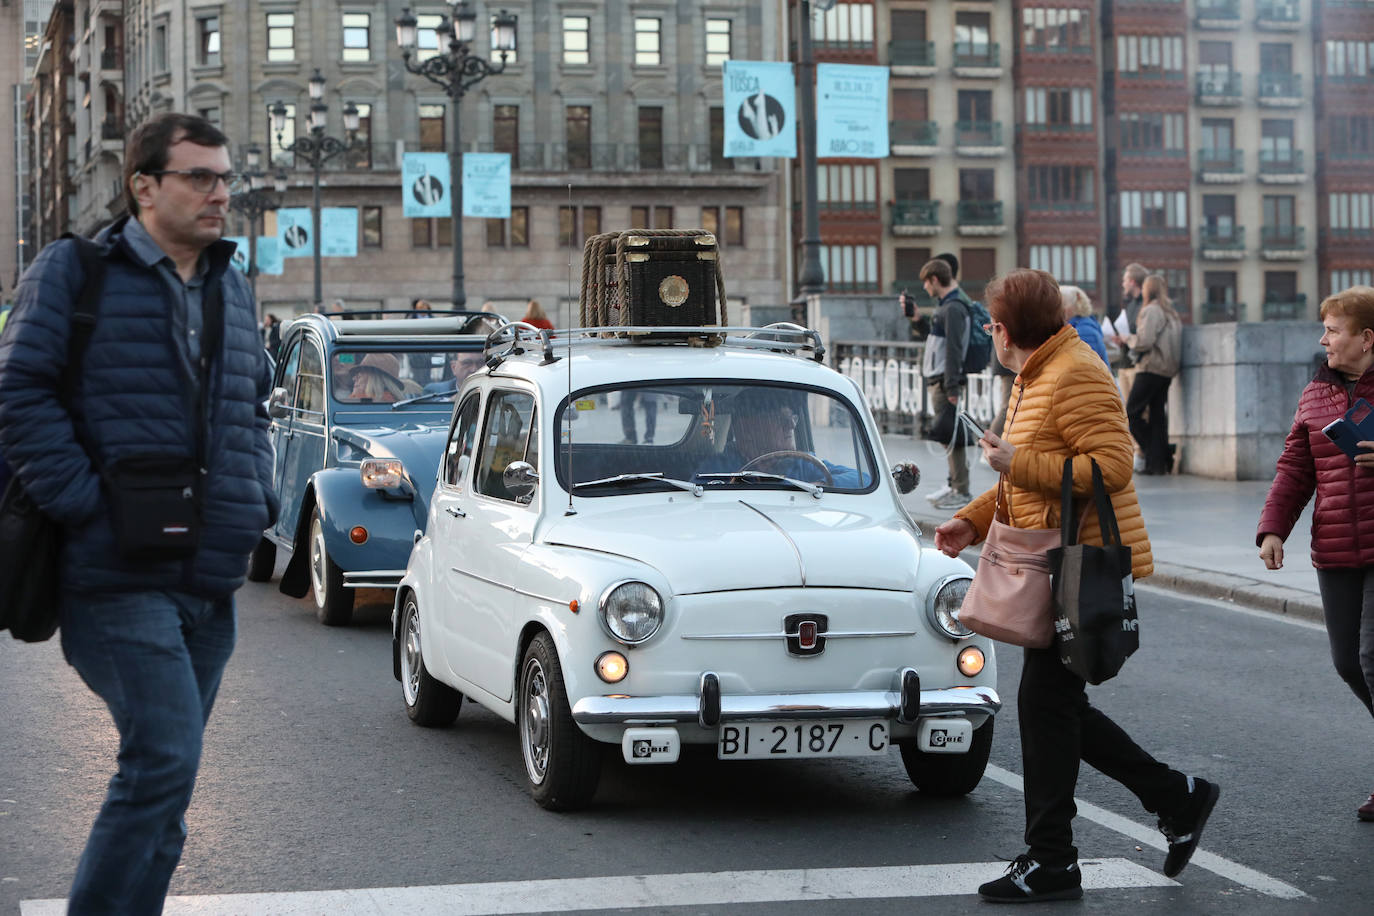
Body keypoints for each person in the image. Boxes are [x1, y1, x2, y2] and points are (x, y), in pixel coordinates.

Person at [0, 112, 278, 913]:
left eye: (225, 177)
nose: (219, 193)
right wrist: (87, 506)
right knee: (161, 760)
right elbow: (18, 394)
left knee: (169, 782)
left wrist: (254, 498)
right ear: (144, 186)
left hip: (211, 578)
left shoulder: (230, 282)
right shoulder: (76, 270)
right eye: (200, 177)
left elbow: (252, 406)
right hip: (116, 574)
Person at [933, 268, 1219, 903]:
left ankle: (1055, 860)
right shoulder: (1035, 375)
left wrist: (1016, 461)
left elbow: (1113, 466)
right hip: (1051, 561)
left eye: (992, 325)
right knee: (1054, 707)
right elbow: (1024, 479)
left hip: (1076, 567)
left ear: (1002, 331)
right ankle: (1174, 799)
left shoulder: (1074, 372)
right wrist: (972, 520)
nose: (990, 333)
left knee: (1045, 705)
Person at [1257, 285, 1374, 823]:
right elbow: (1294, 468)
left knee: (1372, 659)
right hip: (1336, 545)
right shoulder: (1315, 394)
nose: (1322, 340)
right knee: (1348, 663)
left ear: (1366, 338)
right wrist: (1272, 529)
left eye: (1332, 330)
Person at [696, 389, 864, 488]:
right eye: (780, 419)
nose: (790, 426)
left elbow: (862, 479)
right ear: (747, 428)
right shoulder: (718, 468)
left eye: (793, 419)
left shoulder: (802, 464)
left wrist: (818, 486)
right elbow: (695, 496)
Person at [919, 257, 974, 509]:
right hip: (941, 378)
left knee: (951, 436)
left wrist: (952, 386)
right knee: (947, 435)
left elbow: (953, 349)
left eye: (926, 282)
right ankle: (954, 485)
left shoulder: (952, 308)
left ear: (934, 280)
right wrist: (916, 318)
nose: (925, 288)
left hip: (944, 380)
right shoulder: (947, 306)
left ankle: (961, 490)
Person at [1125, 274, 1182, 475]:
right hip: (1167, 371)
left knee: (1131, 413)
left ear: (1148, 290)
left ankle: (1157, 455)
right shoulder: (1171, 312)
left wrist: (1127, 339)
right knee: (1158, 416)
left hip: (1151, 367)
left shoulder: (1151, 310)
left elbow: (1144, 341)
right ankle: (1159, 463)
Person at [1061, 284, 1109, 366]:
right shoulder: (1081, 326)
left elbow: (1086, 367)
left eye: (1062, 304)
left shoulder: (1085, 332)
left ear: (1072, 307)